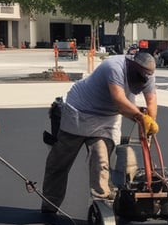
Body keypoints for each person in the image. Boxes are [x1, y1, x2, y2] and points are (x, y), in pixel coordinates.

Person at [40, 51, 158, 214]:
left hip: (107, 118)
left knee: (101, 160)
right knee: (60, 161)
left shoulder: (148, 75)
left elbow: (151, 101)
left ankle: (101, 204)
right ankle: (49, 205)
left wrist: (149, 122)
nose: (144, 78)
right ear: (132, 66)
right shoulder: (114, 67)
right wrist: (140, 116)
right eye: (141, 75)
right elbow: (119, 101)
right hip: (80, 110)